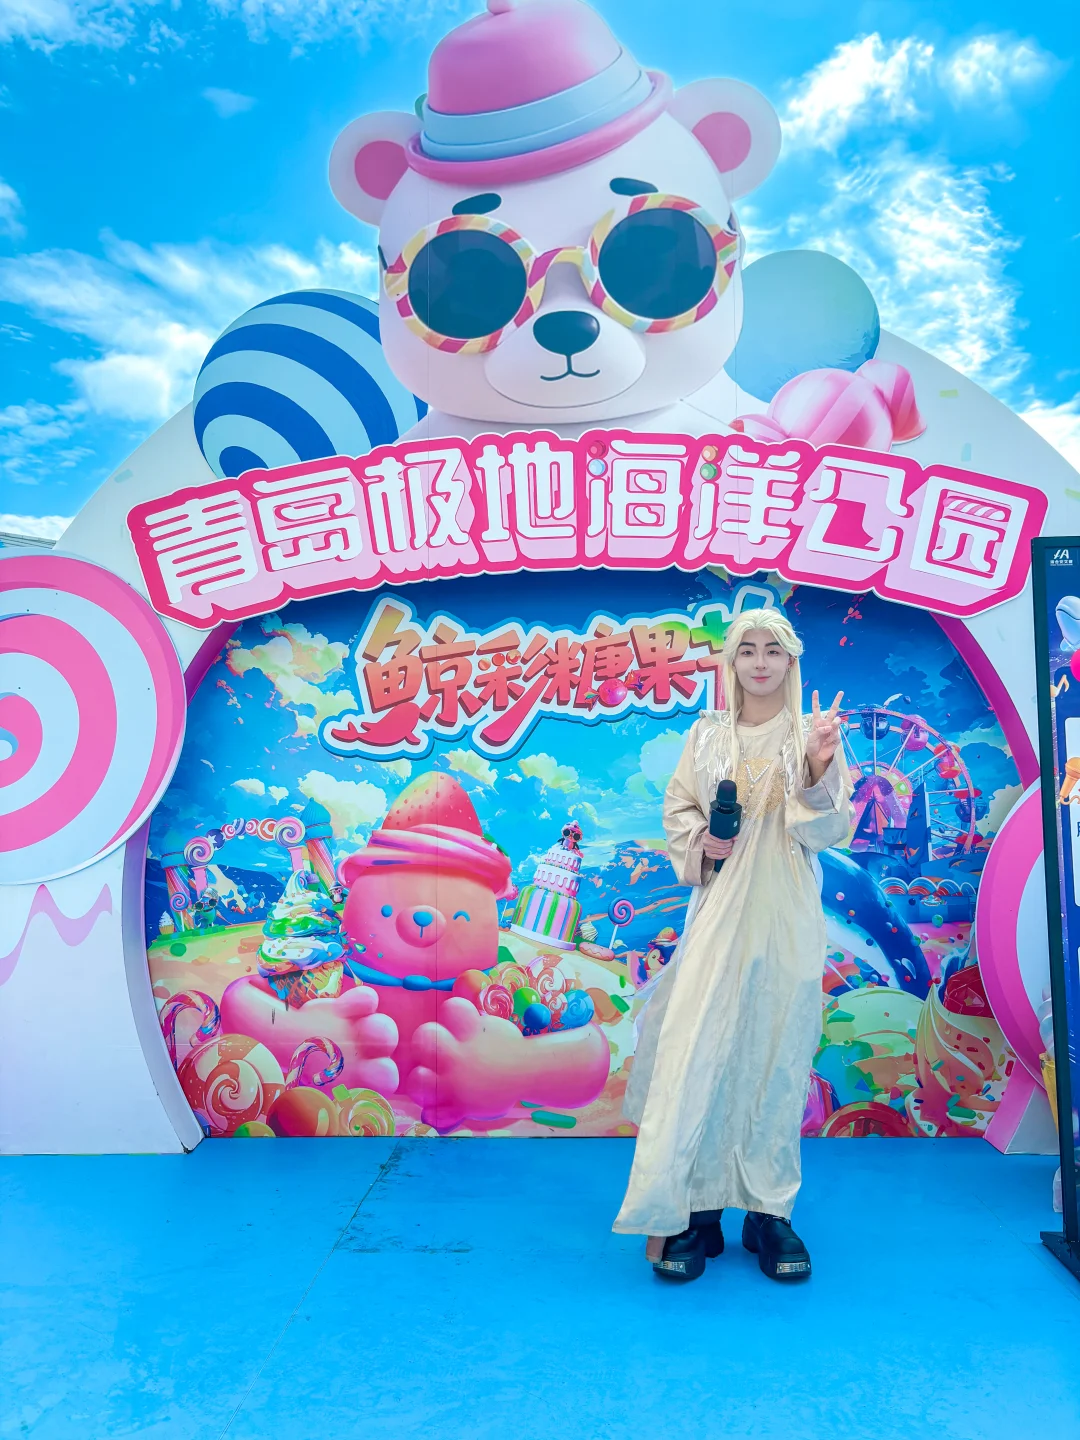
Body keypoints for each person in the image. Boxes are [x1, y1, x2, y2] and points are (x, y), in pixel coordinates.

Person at [612, 608, 852, 1282]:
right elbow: (678, 811)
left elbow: (825, 831)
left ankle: (769, 1210)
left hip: (785, 912)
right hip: (718, 912)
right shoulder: (707, 734)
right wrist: (703, 843)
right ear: (731, 661)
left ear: (791, 660)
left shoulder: (813, 734)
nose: (760, 662)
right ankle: (697, 1205)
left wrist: (817, 766)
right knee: (701, 1050)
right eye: (748, 650)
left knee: (775, 1056)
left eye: (773, 650)